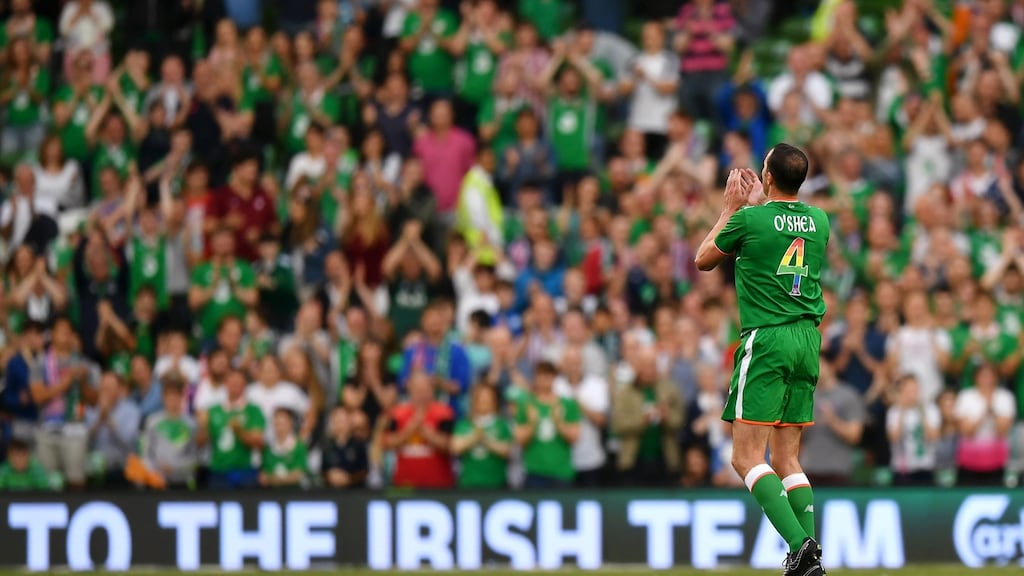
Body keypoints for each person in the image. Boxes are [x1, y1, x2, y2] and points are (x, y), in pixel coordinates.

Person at [694, 143, 828, 575]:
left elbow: (703, 260)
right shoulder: (820, 220)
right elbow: (782, 231)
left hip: (768, 339)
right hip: (807, 338)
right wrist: (760, 208)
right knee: (788, 458)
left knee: (746, 457)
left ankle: (799, 545)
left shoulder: (749, 219)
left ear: (768, 177)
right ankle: (810, 563)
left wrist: (729, 208)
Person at [514, 360, 581, 488]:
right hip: (534, 471)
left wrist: (558, 422)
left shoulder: (567, 404)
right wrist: (532, 424)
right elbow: (520, 441)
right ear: (535, 378)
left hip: (561, 471)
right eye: (541, 375)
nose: (545, 378)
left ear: (555, 377)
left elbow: (575, 437)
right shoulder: (526, 405)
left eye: (549, 374)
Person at [198, 370, 265, 489]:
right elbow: (200, 443)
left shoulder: (253, 410)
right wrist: (203, 427)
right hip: (218, 470)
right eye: (232, 383)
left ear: (245, 386)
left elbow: (258, 443)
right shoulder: (213, 410)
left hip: (245, 470)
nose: (235, 386)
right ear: (226, 384)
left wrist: (239, 430)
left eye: (239, 383)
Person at [451, 384, 511, 488]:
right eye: (481, 397)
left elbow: (507, 451)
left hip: (496, 484)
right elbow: (455, 448)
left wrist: (485, 439)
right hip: (469, 483)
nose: (484, 401)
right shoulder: (465, 424)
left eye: (488, 398)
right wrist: (474, 437)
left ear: (494, 401)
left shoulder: (501, 425)